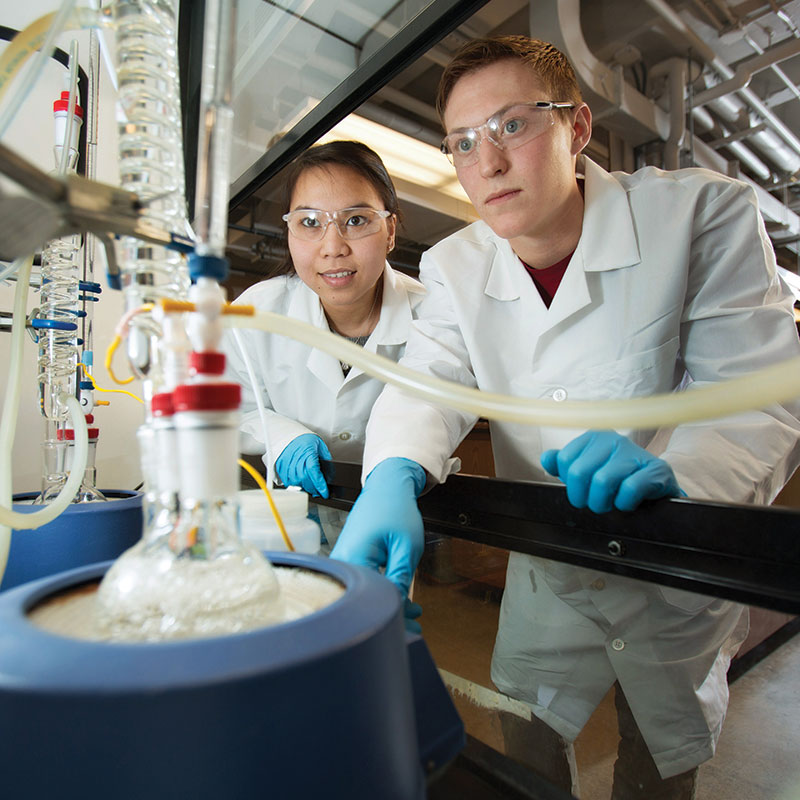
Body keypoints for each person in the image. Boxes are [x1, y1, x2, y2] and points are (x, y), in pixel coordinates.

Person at [330, 35, 800, 798]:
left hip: (672, 571)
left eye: (513, 125)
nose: (487, 161)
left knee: (658, 772)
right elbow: (427, 384)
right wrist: (392, 474)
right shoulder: (455, 265)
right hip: (548, 576)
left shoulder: (698, 214)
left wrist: (678, 469)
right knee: (523, 759)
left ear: (576, 128)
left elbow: (761, 392)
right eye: (462, 142)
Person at [222, 140, 425, 551]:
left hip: (386, 529)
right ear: (290, 232)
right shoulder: (257, 312)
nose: (333, 246)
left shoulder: (432, 317)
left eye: (355, 220)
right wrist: (281, 438)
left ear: (390, 230)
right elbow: (225, 406)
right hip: (282, 529)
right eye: (310, 222)